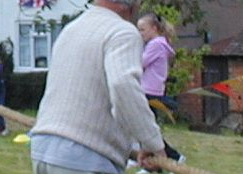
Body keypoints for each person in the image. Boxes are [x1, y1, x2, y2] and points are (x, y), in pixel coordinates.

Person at [29, 0, 166, 173]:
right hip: (84, 156)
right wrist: (152, 143)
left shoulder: (71, 29)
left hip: (42, 150)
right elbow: (123, 86)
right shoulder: (122, 32)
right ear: (130, 5)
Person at [136, 13, 185, 172]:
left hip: (149, 90)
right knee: (146, 128)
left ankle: (172, 157)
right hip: (151, 89)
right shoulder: (157, 44)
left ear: (154, 28)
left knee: (147, 129)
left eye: (142, 30)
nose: (140, 33)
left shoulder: (156, 45)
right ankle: (153, 163)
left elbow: (141, 63)